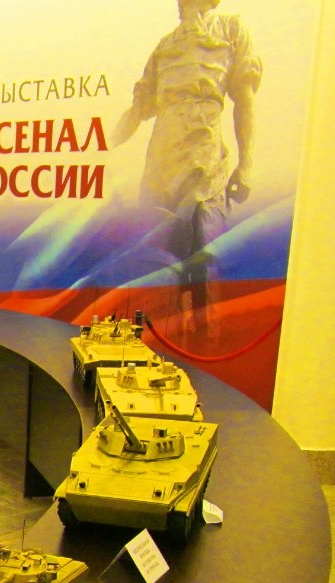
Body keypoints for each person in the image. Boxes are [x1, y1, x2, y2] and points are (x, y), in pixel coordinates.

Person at [112, 0, 262, 341]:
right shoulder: (165, 46)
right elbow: (136, 111)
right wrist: (99, 148)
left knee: (205, 263)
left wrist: (246, 163)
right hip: (161, 163)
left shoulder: (230, 29)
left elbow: (245, 100)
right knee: (156, 264)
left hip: (205, 160)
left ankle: (207, 347)